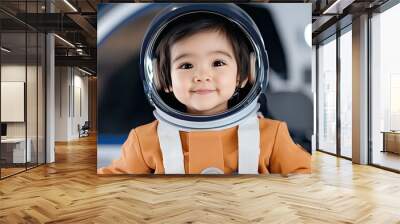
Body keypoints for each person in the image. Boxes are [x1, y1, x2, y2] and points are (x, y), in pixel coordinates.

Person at [98, 3, 311, 175]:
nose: (201, 76)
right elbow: (110, 192)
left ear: (246, 74)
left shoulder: (272, 138)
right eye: (186, 65)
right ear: (164, 79)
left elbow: (308, 186)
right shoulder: (144, 142)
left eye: (218, 63)